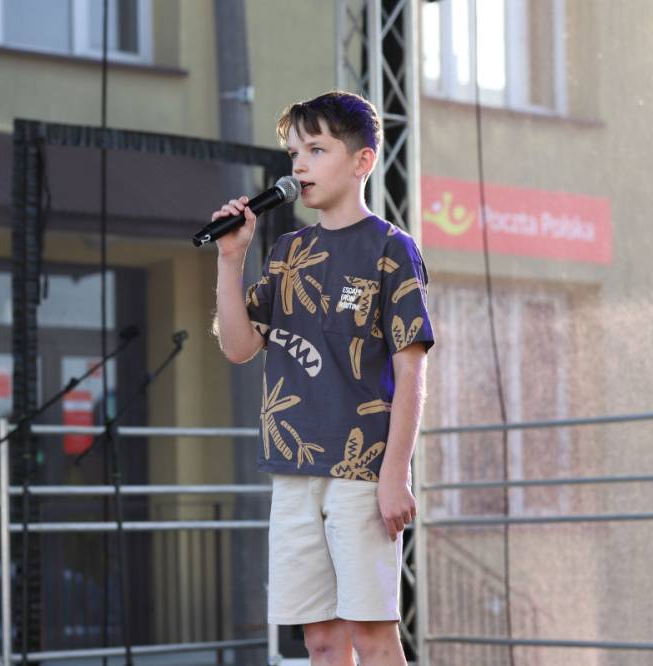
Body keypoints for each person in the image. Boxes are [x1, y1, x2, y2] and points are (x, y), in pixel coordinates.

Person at [212, 90, 434, 666]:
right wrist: (231, 260)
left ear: (362, 161)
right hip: (292, 469)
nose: (300, 165)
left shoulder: (392, 249)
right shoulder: (288, 251)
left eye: (316, 149)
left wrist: (396, 474)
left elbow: (411, 369)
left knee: (373, 635)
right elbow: (239, 347)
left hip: (361, 471)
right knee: (321, 641)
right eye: (294, 154)